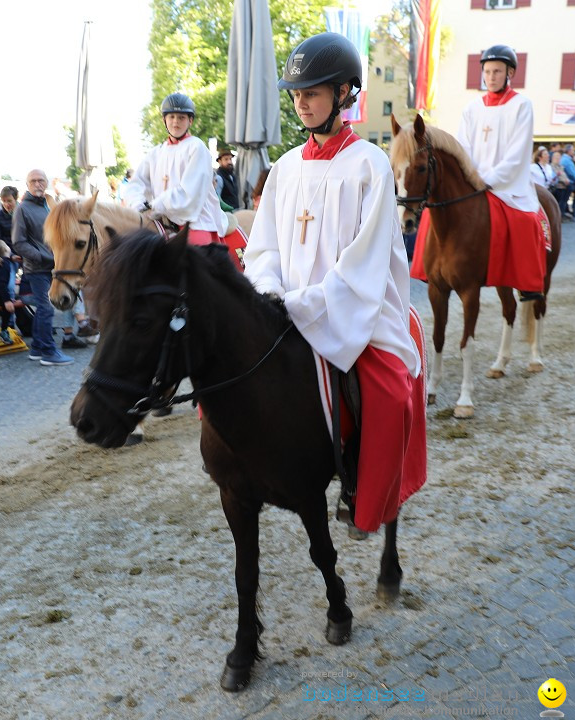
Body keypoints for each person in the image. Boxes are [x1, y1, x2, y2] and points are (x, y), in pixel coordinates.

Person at [243, 32, 426, 533]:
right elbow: (262, 248)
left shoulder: (369, 165)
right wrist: (269, 297)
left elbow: (363, 264)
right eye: (296, 93)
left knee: (387, 392)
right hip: (285, 307)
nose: (302, 102)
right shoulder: (284, 168)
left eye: (313, 91)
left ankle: (360, 487)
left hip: (353, 311)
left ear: (345, 93)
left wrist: (307, 304)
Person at [455, 45, 544, 300]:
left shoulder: (521, 105)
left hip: (508, 184)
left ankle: (528, 282)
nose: (491, 77)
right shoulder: (472, 107)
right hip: (473, 181)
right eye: (487, 71)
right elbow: (463, 146)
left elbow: (518, 153)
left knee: (526, 221)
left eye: (497, 71)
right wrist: (471, 176)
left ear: (510, 73)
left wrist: (489, 179)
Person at [120, 92, 229, 245]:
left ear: (190, 121)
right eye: (171, 117)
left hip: (195, 220)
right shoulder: (155, 153)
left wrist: (156, 205)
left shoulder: (197, 147)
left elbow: (189, 193)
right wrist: (138, 204)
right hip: (159, 219)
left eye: (181, 117)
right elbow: (136, 185)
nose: (175, 122)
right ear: (165, 120)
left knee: (196, 258)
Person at [12, 168, 72, 366]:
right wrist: (40, 257)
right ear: (27, 185)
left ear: (46, 183)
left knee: (43, 308)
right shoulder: (22, 208)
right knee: (46, 308)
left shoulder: (49, 206)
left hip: (53, 265)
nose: (38, 184)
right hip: (37, 267)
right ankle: (48, 351)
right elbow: (18, 242)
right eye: (33, 181)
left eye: (41, 180)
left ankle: (37, 347)